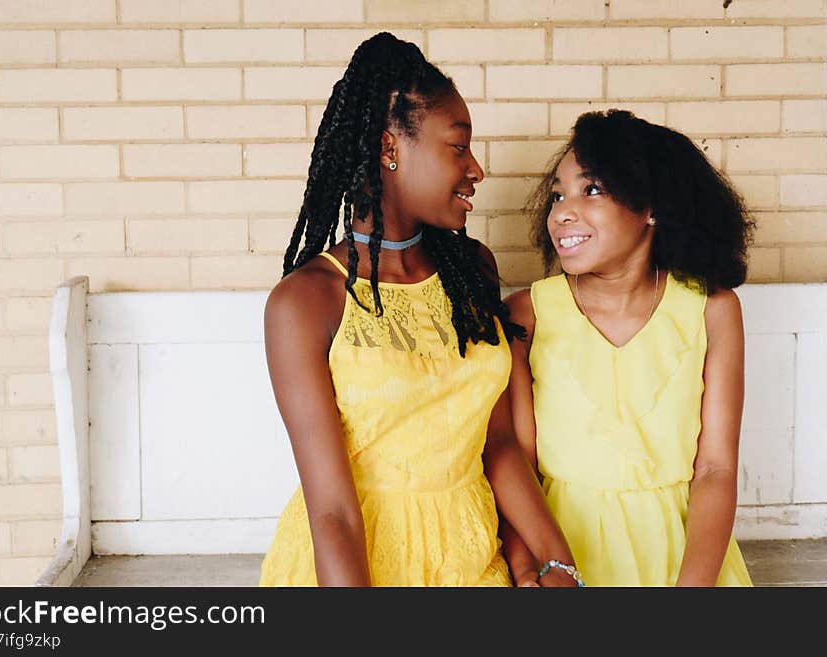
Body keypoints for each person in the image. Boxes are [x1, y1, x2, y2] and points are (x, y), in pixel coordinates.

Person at [258, 32, 577, 587]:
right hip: (355, 569)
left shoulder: (471, 270)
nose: (476, 169)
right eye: (458, 146)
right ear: (389, 149)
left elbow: (497, 444)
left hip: (471, 554)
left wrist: (557, 561)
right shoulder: (307, 301)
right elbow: (331, 510)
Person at [501, 109, 756, 586]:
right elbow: (518, 467)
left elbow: (716, 469)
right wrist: (529, 570)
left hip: (684, 561)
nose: (562, 212)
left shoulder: (712, 310)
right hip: (563, 560)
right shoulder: (526, 315)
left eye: (590, 189)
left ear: (651, 207)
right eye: (558, 194)